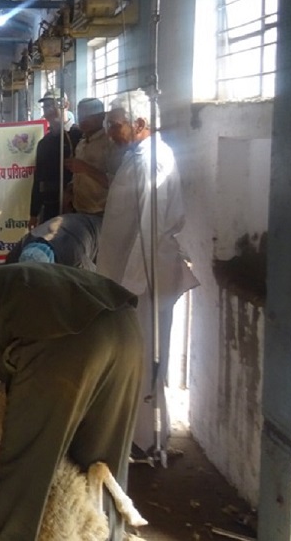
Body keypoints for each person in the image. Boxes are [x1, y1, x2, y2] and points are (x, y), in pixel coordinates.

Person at [0, 264, 143, 541]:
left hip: (64, 345)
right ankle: (109, 536)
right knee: (101, 466)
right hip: (124, 326)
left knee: (23, 471)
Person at [98, 89, 199, 457]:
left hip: (143, 278)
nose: (110, 131)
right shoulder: (137, 156)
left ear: (140, 124)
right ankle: (141, 433)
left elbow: (150, 230)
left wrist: (130, 287)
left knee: (144, 354)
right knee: (134, 354)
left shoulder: (153, 160)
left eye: (116, 125)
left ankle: (144, 440)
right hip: (130, 275)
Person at [29, 88, 81, 227]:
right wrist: (34, 213)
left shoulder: (79, 136)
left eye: (54, 105)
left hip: (75, 207)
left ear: (66, 105)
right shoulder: (44, 143)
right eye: (46, 106)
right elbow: (38, 179)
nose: (49, 110)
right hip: (50, 207)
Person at [65, 97, 123, 215]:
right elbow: (79, 174)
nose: (83, 119)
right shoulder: (81, 144)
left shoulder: (111, 143)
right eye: (81, 114)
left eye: (89, 115)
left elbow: (117, 182)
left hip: (102, 212)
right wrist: (71, 188)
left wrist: (86, 168)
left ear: (101, 116)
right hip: (80, 210)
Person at [3, 212, 102, 270]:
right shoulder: (16, 253)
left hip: (99, 232)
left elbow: (96, 282)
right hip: (72, 225)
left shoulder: (74, 257)